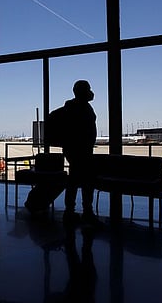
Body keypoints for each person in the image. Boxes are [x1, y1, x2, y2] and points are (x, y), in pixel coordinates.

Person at [62, 80, 99, 225]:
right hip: (81, 150)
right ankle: (85, 212)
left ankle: (71, 211)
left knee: (74, 181)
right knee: (85, 181)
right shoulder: (80, 107)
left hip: (75, 150)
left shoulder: (73, 107)